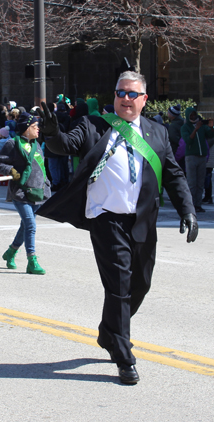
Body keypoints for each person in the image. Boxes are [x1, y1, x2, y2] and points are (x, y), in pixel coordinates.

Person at [37, 71, 198, 385]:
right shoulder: (95, 126)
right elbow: (64, 145)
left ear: (144, 99)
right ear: (114, 96)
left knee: (141, 284)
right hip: (106, 219)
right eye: (121, 93)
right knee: (119, 287)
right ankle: (124, 357)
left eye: (132, 94)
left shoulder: (157, 132)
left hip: (142, 220)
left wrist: (188, 211)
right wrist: (52, 131)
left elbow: (174, 175)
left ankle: (109, 332)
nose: (126, 99)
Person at [0, 112, 51, 275]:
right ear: (26, 129)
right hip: (20, 192)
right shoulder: (12, 144)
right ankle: (32, 260)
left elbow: (41, 169)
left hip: (38, 193)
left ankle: (11, 252)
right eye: (34, 126)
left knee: (25, 226)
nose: (38, 129)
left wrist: (46, 186)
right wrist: (10, 170)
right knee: (30, 225)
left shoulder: (37, 145)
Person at [180, 107, 214, 213]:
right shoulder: (185, 127)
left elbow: (211, 135)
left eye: (195, 115)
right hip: (191, 156)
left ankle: (198, 204)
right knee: (192, 182)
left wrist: (211, 127)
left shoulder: (202, 126)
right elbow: (188, 141)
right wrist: (196, 129)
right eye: (192, 115)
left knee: (200, 182)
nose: (194, 117)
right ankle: (190, 205)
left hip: (202, 157)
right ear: (188, 116)